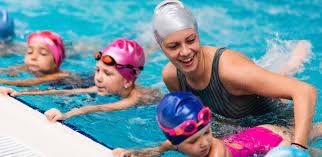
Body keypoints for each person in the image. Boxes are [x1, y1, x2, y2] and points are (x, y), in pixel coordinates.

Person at [152, 0, 316, 148]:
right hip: (238, 134)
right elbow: (192, 126)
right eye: (174, 46)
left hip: (279, 125)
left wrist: (298, 148)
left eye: (190, 40)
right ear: (161, 46)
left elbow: (304, 91)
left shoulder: (229, 70)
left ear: (198, 35)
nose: (185, 52)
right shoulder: (172, 76)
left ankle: (295, 61)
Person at [112, 92, 321, 157]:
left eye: (207, 133)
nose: (204, 143)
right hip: (256, 134)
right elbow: (160, 148)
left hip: (275, 143)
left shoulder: (216, 154)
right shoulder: (175, 143)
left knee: (311, 145)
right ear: (176, 142)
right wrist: (134, 153)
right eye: (194, 140)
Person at [0, 38, 161, 122]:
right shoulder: (104, 85)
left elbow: (99, 108)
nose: (98, 77)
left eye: (107, 73)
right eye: (97, 70)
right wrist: (19, 93)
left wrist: (66, 114)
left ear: (127, 81)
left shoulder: (134, 98)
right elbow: (67, 91)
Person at [0, 30, 75, 86]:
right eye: (30, 52)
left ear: (55, 63)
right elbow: (8, 69)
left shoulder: (60, 75)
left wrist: (3, 81)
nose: (33, 57)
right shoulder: (30, 67)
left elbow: (29, 82)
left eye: (43, 53)